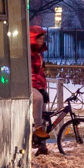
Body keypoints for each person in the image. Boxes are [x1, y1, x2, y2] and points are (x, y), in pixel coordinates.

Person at [30, 26, 50, 155]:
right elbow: (31, 74)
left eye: (43, 39)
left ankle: (42, 147)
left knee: (44, 115)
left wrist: (43, 86)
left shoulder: (39, 53)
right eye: (39, 39)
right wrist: (39, 88)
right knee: (38, 98)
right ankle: (37, 128)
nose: (41, 41)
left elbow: (40, 72)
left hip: (39, 85)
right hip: (30, 85)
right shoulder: (30, 53)